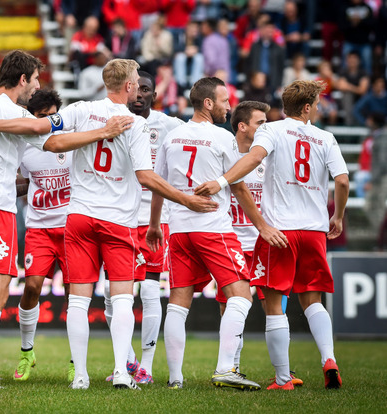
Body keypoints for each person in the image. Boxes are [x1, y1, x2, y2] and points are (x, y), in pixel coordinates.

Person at [0, 58, 219, 391]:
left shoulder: (80, 110)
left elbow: (47, 137)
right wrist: (185, 199)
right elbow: (146, 177)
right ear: (129, 85)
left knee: (78, 300)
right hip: (118, 221)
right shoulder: (134, 123)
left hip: (80, 217)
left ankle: (82, 376)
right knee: (121, 299)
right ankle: (120, 372)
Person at [0, 50, 133, 390]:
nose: (37, 86)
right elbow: (52, 140)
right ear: (22, 79)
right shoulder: (16, 115)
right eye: (35, 80)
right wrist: (103, 132)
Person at [195, 79, 349, 390]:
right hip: (315, 231)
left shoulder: (272, 130)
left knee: (274, 304)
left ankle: (282, 378)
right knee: (312, 300)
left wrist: (221, 182)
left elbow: (252, 159)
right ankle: (329, 359)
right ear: (306, 108)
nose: (318, 110)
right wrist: (338, 216)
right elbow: (343, 181)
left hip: (280, 230)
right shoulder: (326, 138)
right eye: (316, 105)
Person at [147, 77, 283, 391]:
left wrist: (156, 224)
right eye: (223, 100)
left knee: (179, 304)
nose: (227, 106)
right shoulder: (222, 138)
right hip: (213, 229)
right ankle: (225, 368)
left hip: (179, 231)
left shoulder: (173, 136)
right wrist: (262, 225)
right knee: (241, 295)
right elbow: (237, 186)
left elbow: (158, 185)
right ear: (208, 103)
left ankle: (175, 378)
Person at [214, 100, 304, 387]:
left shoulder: (269, 159)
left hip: (265, 243)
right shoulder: (221, 155)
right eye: (260, 123)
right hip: (231, 242)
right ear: (242, 127)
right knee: (228, 306)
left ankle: (284, 372)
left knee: (274, 308)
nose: (267, 128)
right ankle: (233, 367)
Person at [122, 70, 183, 384]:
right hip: (119, 218)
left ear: (154, 95)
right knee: (113, 295)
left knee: (148, 290)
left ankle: (144, 365)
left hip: (155, 223)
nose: (141, 94)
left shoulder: (171, 126)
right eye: (137, 88)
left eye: (147, 89)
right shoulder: (117, 121)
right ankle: (127, 362)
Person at [12, 89, 71, 382]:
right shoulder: (24, 147)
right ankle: (26, 352)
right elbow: (24, 183)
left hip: (72, 229)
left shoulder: (72, 143)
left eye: (52, 116)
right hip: (39, 229)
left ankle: (76, 360)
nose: (49, 121)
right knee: (32, 287)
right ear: (32, 118)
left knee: (76, 293)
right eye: (42, 117)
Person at [336, 51, 370, 127]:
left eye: (354, 59)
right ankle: (350, 124)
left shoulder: (363, 72)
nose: (352, 61)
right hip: (348, 101)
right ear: (346, 61)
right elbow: (341, 86)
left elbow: (363, 90)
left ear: (359, 61)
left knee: (366, 97)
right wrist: (356, 89)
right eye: (350, 59)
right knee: (347, 95)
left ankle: (362, 124)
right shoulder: (343, 72)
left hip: (361, 100)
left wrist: (348, 86)